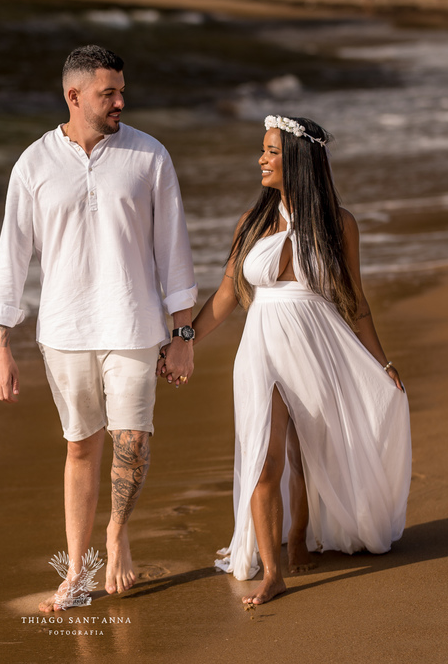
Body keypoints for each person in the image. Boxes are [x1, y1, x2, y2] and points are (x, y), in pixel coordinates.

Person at [164, 114, 411, 605]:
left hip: (318, 344)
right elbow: (229, 296)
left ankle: (298, 533)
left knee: (306, 451)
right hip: (261, 347)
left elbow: (355, 302)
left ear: (297, 159)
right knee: (264, 456)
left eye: (272, 151)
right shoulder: (251, 222)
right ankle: (272, 571)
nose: (261, 158)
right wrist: (184, 337)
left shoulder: (339, 224)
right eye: (263, 149)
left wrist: (381, 363)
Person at [0, 45, 198, 612]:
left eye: (122, 91)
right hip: (64, 328)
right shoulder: (33, 164)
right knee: (81, 445)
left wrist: (183, 335)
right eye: (109, 93)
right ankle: (76, 569)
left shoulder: (149, 156)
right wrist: (1, 342)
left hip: (134, 323)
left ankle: (117, 531)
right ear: (73, 95)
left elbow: (173, 249)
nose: (121, 102)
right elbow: (13, 255)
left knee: (132, 438)